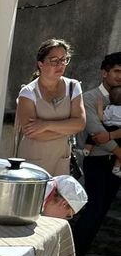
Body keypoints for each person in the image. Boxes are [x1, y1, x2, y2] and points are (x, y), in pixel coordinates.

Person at [72, 51, 121, 256]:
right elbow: (97, 133)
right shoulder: (90, 98)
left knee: (101, 212)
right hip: (96, 162)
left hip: (115, 163)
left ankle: (81, 255)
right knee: (92, 209)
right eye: (117, 71)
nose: (120, 77)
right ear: (104, 73)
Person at [15, 38, 86, 176]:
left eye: (64, 59)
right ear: (40, 64)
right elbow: (33, 133)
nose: (60, 65)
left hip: (61, 160)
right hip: (32, 160)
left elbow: (81, 124)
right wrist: (68, 129)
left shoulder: (73, 87)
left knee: (57, 197)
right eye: (54, 60)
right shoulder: (28, 92)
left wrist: (45, 125)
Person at [81, 84, 121, 176]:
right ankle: (117, 168)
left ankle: (86, 149)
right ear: (104, 73)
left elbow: (101, 118)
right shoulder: (88, 97)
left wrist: (99, 106)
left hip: (108, 127)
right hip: (117, 132)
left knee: (95, 134)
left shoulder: (110, 108)